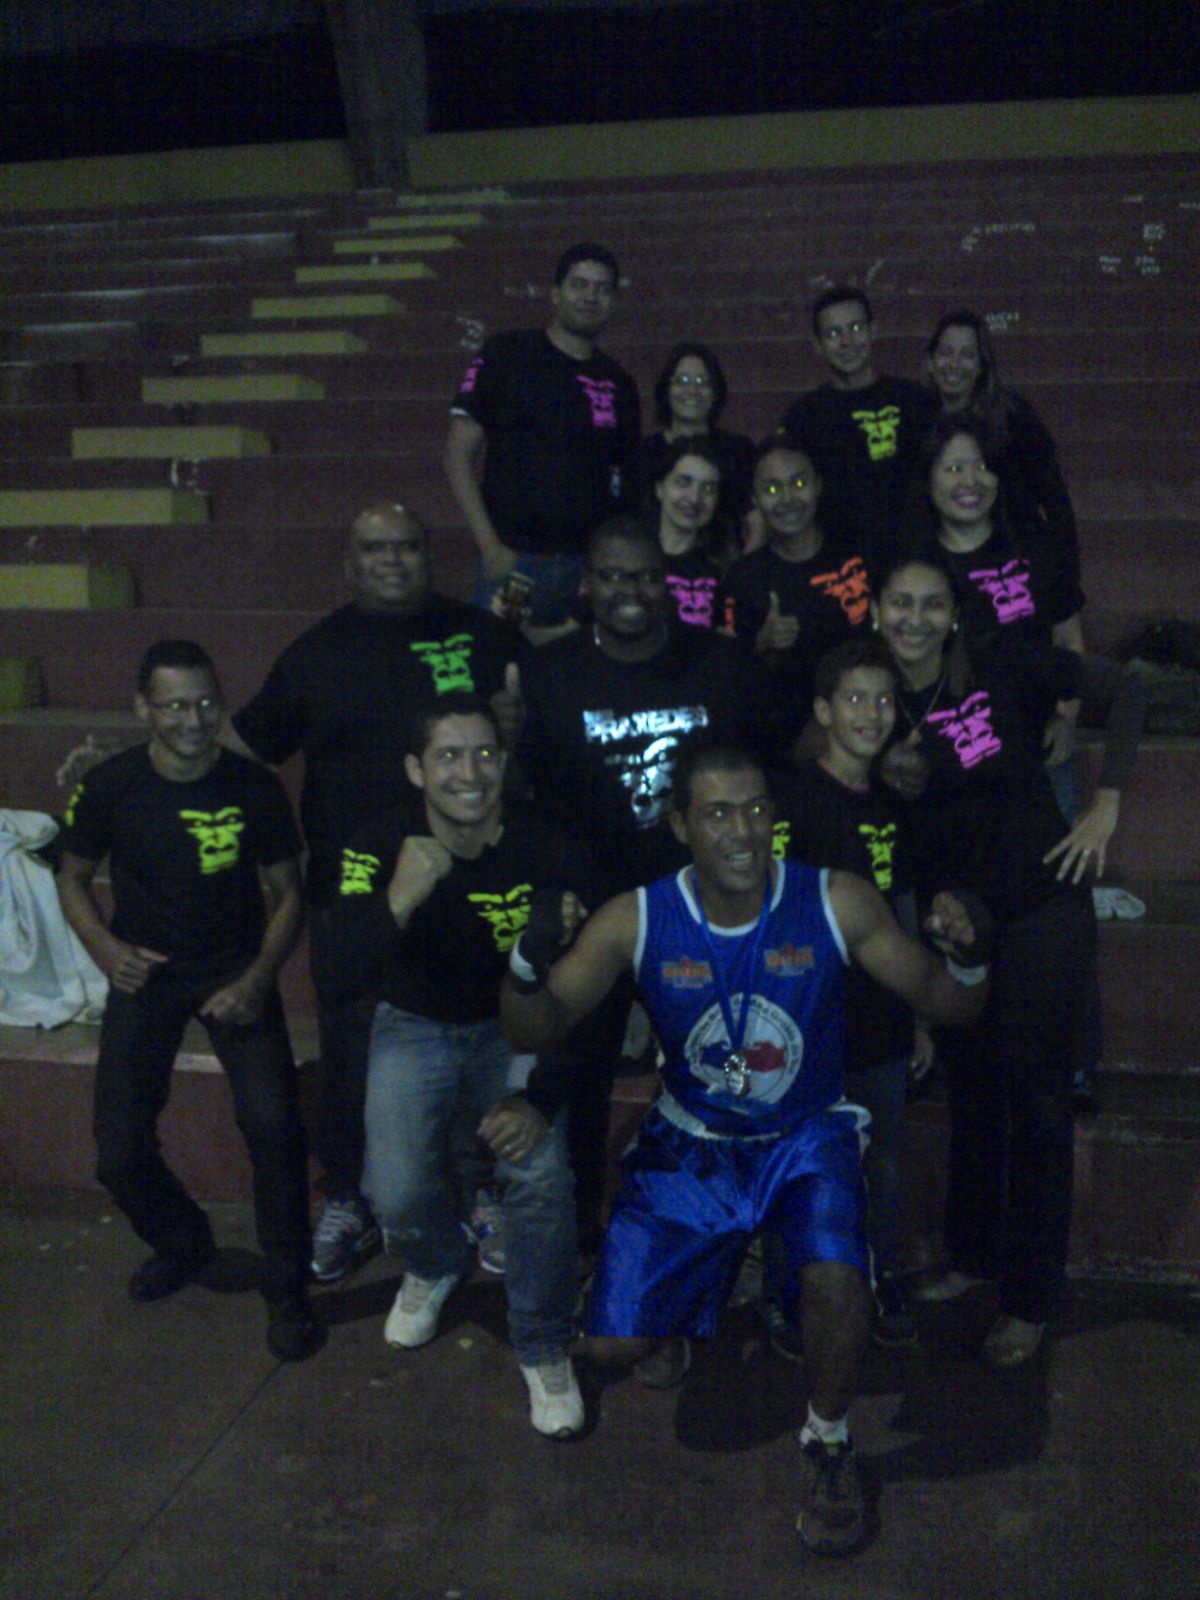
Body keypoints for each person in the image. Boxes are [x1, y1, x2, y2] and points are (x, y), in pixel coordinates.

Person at [500, 743, 989, 1555]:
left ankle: (828, 1442)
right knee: (617, 1347)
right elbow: (535, 1026)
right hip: (693, 1144)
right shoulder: (637, 916)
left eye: (757, 809)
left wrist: (970, 958)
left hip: (805, 1135)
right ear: (680, 825)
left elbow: (946, 1000)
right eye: (718, 814)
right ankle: (689, 1300)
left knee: (838, 1281)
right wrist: (527, 958)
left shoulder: (834, 898)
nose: (742, 830)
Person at [226, 502, 520, 1285]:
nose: (392, 559)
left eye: (407, 545)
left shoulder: (481, 635)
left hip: (470, 881)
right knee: (353, 1052)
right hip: (354, 892)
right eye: (374, 548)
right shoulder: (315, 653)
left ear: (430, 554)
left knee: (477, 1041)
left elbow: (525, 733)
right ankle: (349, 1197)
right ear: (350, 564)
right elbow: (243, 749)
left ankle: (481, 1190)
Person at [872, 553, 1141, 1366]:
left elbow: (1127, 689)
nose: (914, 620)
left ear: (955, 614)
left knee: (1038, 1100)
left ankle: (1029, 1298)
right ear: (877, 612)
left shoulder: (1007, 662)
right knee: (975, 1094)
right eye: (899, 604)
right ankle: (974, 1257)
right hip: (958, 924)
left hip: (1040, 908)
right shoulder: (873, 698)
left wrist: (1106, 803)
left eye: (931, 605)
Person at [518, 518, 786, 1249]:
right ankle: (581, 1237)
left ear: (665, 583)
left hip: (701, 911)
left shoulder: (719, 664)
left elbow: (775, 764)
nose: (628, 590)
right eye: (612, 576)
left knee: (728, 1072)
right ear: (587, 584)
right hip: (599, 917)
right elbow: (529, 798)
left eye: (642, 575)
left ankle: (741, 1228)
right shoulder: (550, 673)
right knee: (580, 1078)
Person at [326, 695, 586, 1438]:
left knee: (540, 1175)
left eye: (483, 754)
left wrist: (539, 1097)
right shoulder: (378, 841)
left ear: (503, 762)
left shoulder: (546, 842)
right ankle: (439, 1261)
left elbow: (581, 993)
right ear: (416, 769)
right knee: (397, 1190)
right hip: (413, 1025)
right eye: (448, 755)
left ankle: (543, 1341)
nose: (469, 772)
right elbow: (338, 970)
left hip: (514, 1029)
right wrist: (401, 895)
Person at [55, 641, 321, 1361]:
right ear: (143, 709)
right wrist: (105, 950)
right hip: (146, 974)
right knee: (118, 1152)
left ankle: (288, 1288)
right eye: (174, 705)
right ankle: (183, 1245)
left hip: (236, 971)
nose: (194, 720)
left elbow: (288, 892)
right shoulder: (110, 785)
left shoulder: (254, 787)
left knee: (274, 1129)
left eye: (205, 703)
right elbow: (72, 876)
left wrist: (260, 976)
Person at [773, 639, 930, 1348]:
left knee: (880, 1162)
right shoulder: (794, 799)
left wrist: (920, 1015)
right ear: (823, 710)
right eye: (856, 698)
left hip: (883, 1020)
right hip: (807, 1024)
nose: (872, 713)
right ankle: (787, 1293)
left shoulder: (894, 806)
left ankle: (877, 1274)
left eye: (884, 700)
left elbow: (904, 911)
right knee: (801, 1164)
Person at [445, 242, 641, 631]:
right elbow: (457, 454)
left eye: (602, 288)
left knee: (575, 667)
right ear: (555, 294)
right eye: (579, 285)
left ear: (613, 301)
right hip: (515, 564)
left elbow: (624, 484)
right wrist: (491, 549)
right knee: (500, 661)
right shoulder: (507, 354)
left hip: (585, 571)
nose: (590, 297)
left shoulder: (619, 383)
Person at [719, 437, 872, 740]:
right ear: (755, 499)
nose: (787, 499)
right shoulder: (744, 579)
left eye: (799, 483)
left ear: (818, 485)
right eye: (772, 489)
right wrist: (761, 643)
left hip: (866, 721)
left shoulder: (857, 554)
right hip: (783, 741)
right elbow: (727, 678)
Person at [779, 286, 938, 573]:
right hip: (837, 568)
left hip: (914, 563)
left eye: (855, 328)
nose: (847, 341)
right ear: (817, 345)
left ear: (873, 330)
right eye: (833, 333)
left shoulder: (916, 401)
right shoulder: (802, 416)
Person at [923, 307, 1080, 577]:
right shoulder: (918, 417)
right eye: (946, 352)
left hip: (1013, 561)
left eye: (967, 355)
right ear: (931, 361)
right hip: (949, 563)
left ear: (982, 366)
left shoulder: (1014, 416)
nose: (954, 364)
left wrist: (1066, 569)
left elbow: (1053, 496)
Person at [632, 342, 755, 535]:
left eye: (702, 382)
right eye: (682, 380)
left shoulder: (738, 451)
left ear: (715, 392)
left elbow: (755, 519)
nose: (692, 390)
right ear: (666, 389)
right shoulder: (643, 453)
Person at [651, 437, 729, 627]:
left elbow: (728, 635)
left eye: (708, 489)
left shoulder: (722, 570)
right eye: (683, 482)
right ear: (660, 488)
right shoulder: (628, 555)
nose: (695, 498)